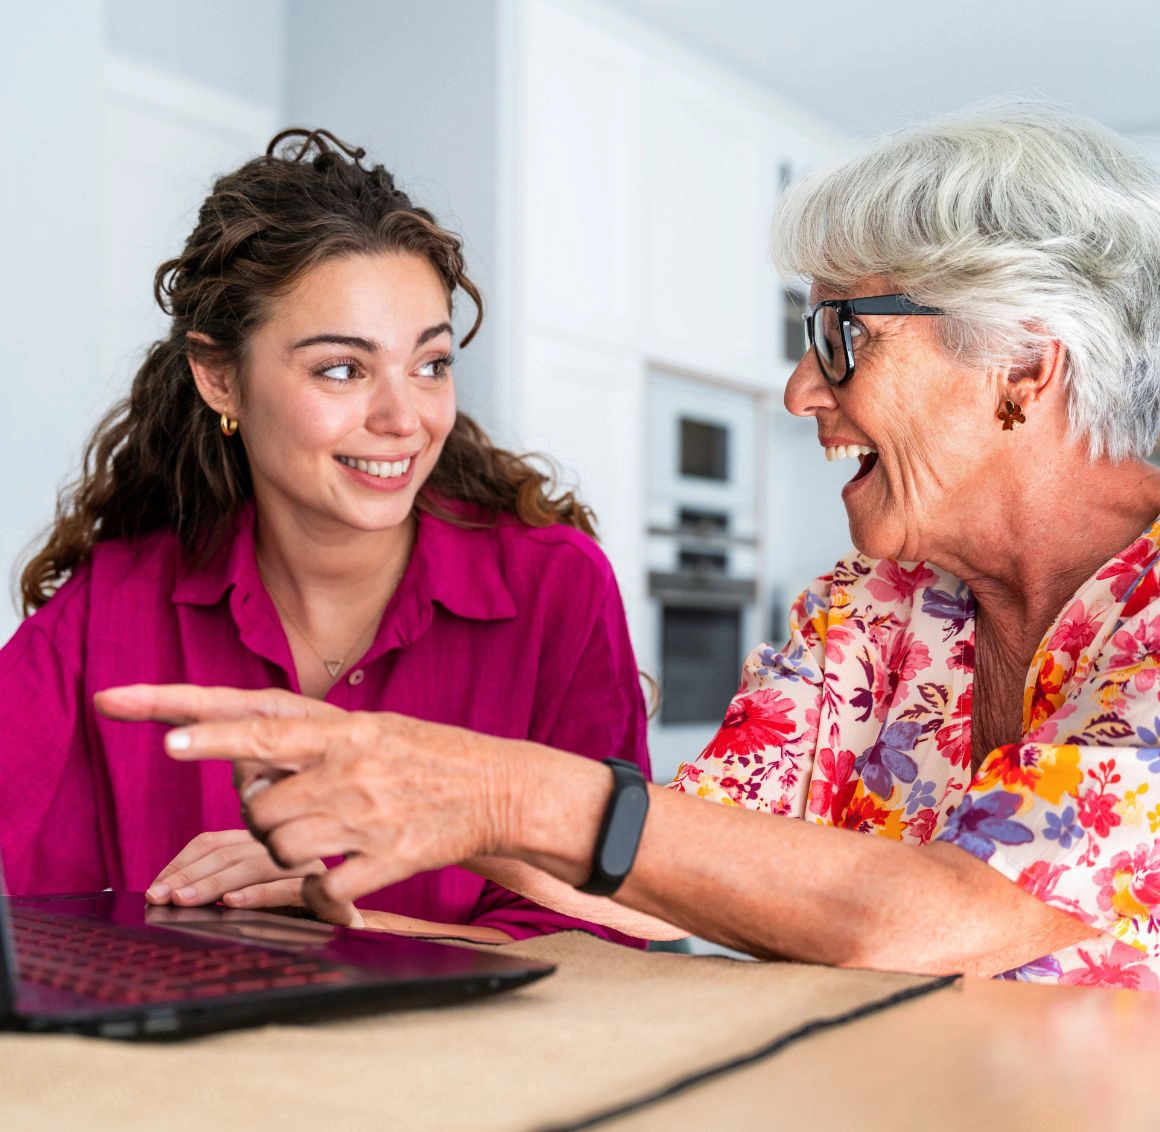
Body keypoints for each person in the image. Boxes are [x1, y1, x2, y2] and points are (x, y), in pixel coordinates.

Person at [100, 102, 1160, 988]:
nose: (798, 389)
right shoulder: (873, 606)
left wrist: (489, 792)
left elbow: (949, 910)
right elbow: (667, 861)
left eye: (842, 335)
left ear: (1021, 362)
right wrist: (374, 869)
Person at [2, 128, 650, 945]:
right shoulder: (118, 600)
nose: (404, 418)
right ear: (219, 376)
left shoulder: (556, 587)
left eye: (432, 364)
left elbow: (611, 932)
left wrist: (347, 919)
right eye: (341, 369)